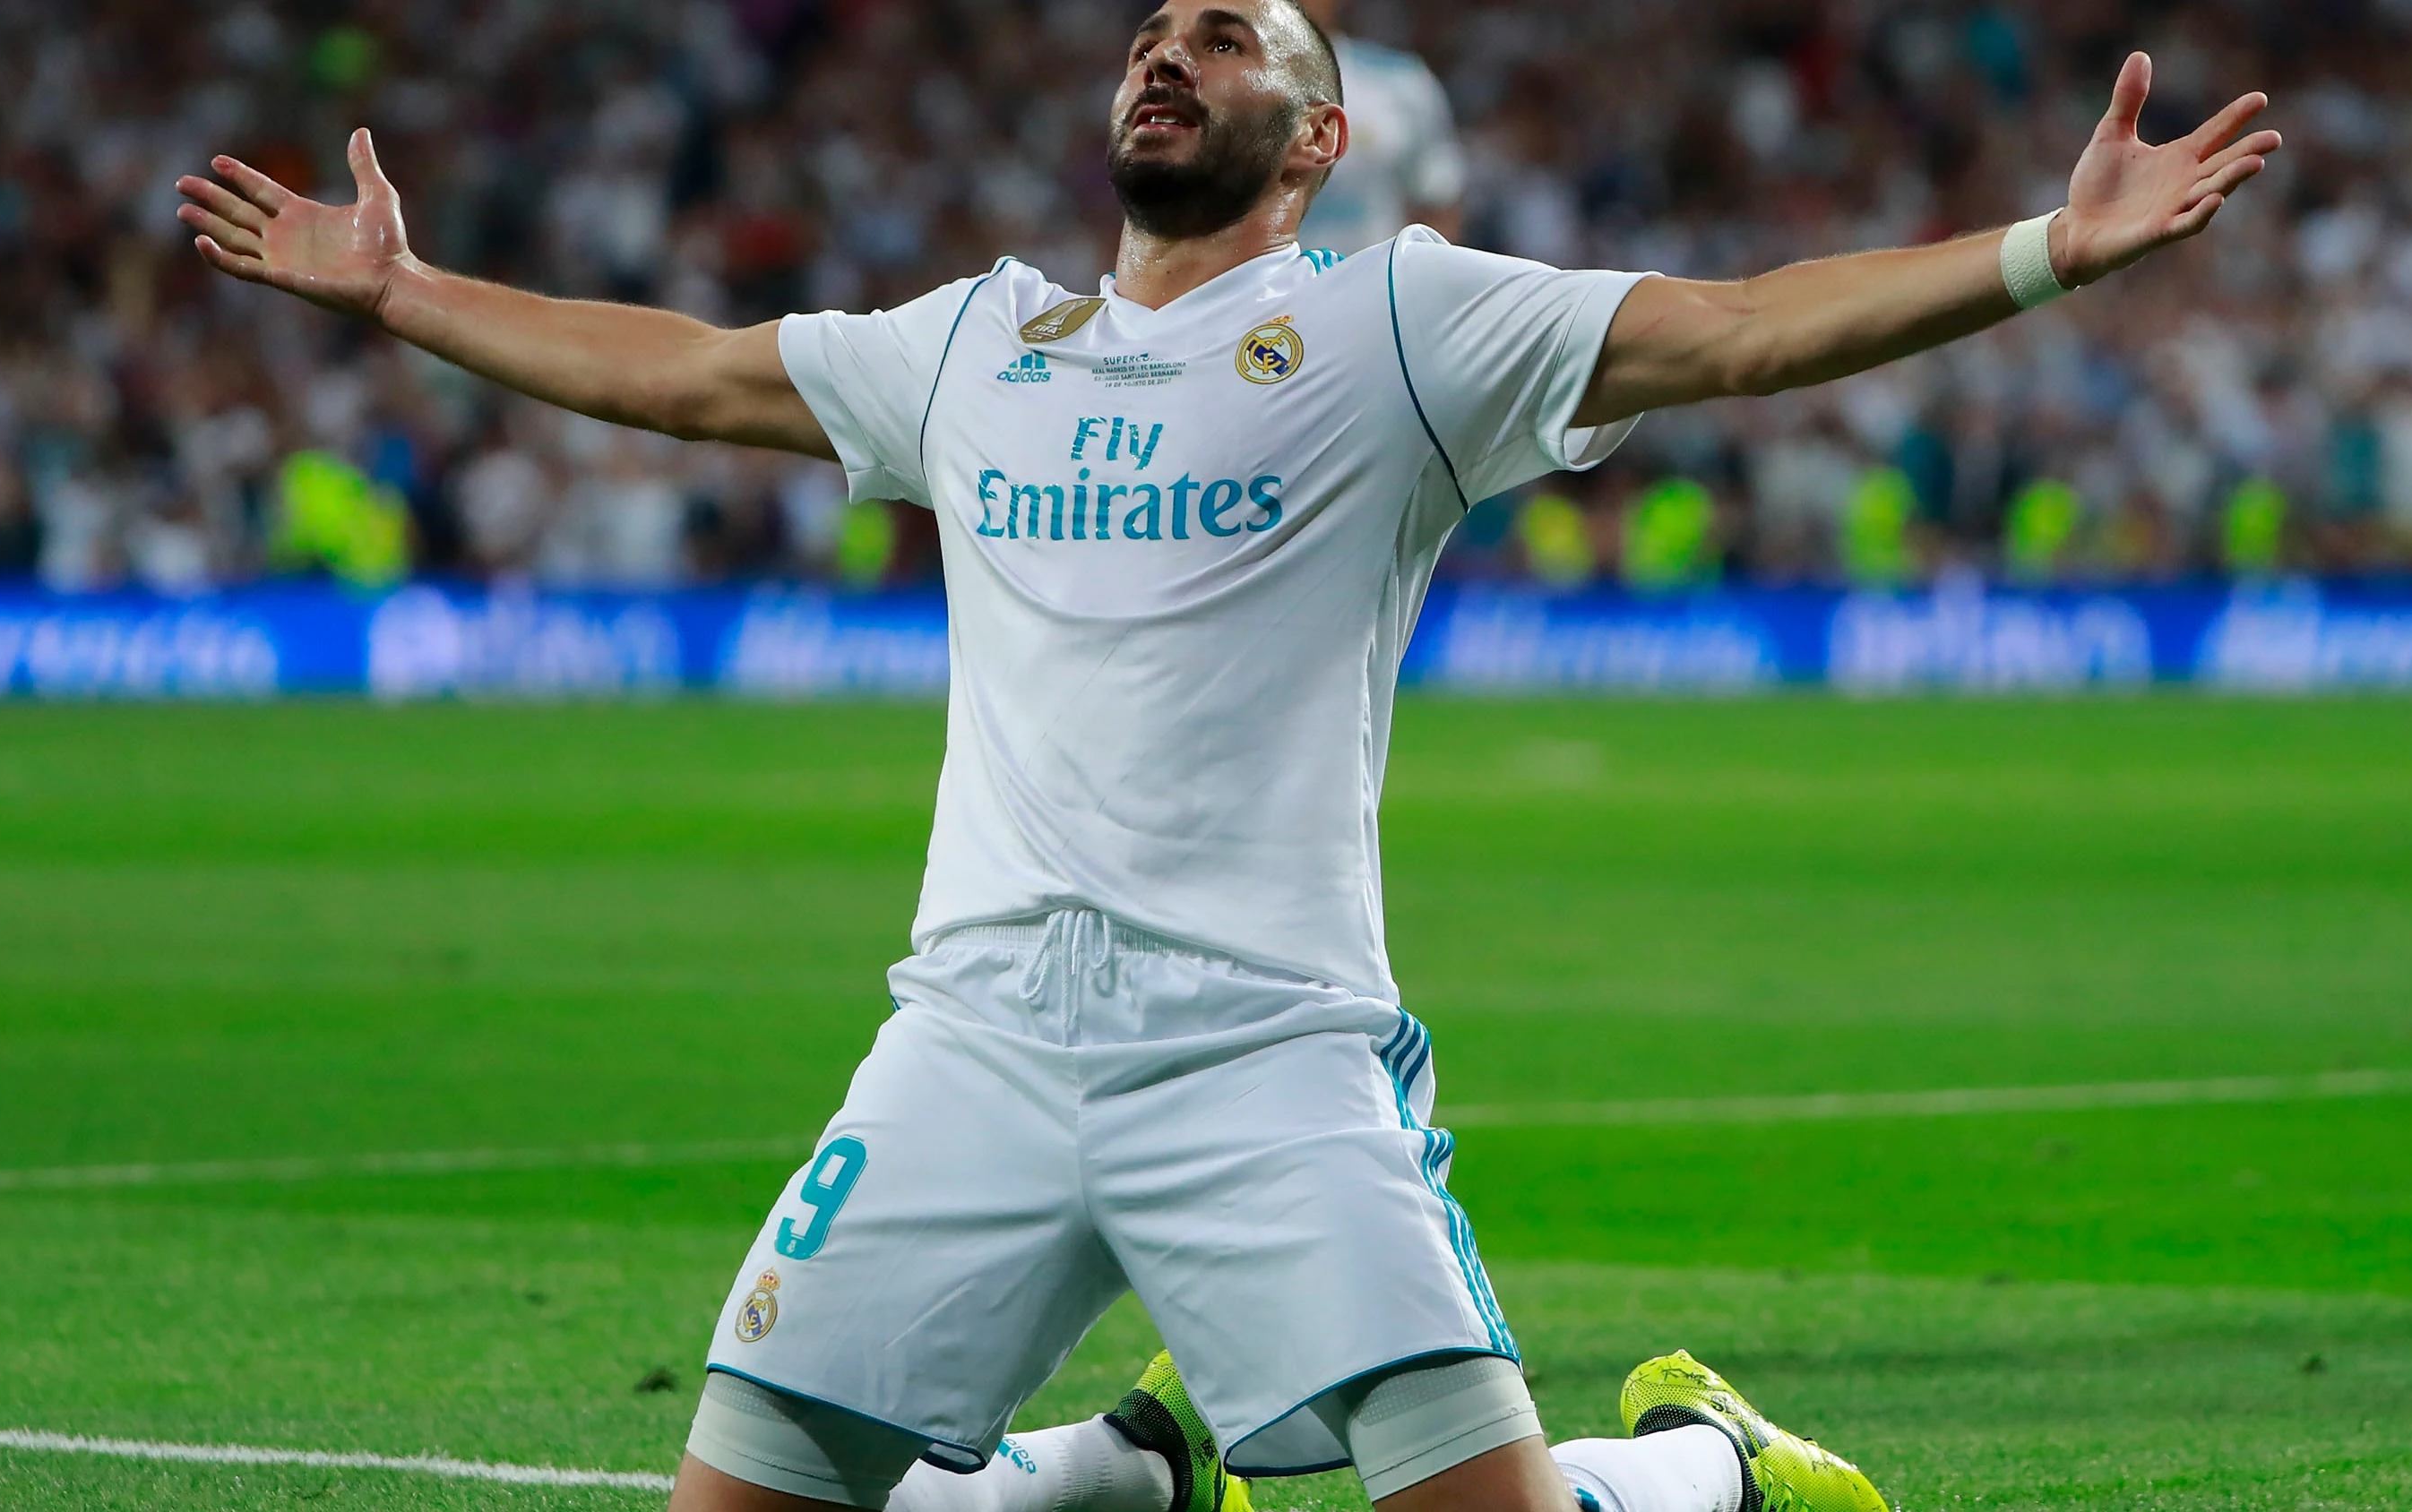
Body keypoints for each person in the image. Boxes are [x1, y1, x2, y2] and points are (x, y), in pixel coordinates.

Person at [177, 4, 2278, 1512]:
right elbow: (693, 370)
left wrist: (2040, 254)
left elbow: (1736, 325)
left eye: (1227, 38)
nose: (1165, 51)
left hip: (1260, 1050)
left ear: (1320, 134)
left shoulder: (1409, 327)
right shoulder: (978, 345)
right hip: (971, 1044)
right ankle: (1113, 1473)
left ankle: (1697, 1470)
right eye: (1150, 33)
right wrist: (408, 295)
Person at [1289, 0, 1465, 251]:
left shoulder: (1401, 82)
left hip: (1375, 284)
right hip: (1264, 288)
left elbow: (1439, 203)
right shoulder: (1229, 86)